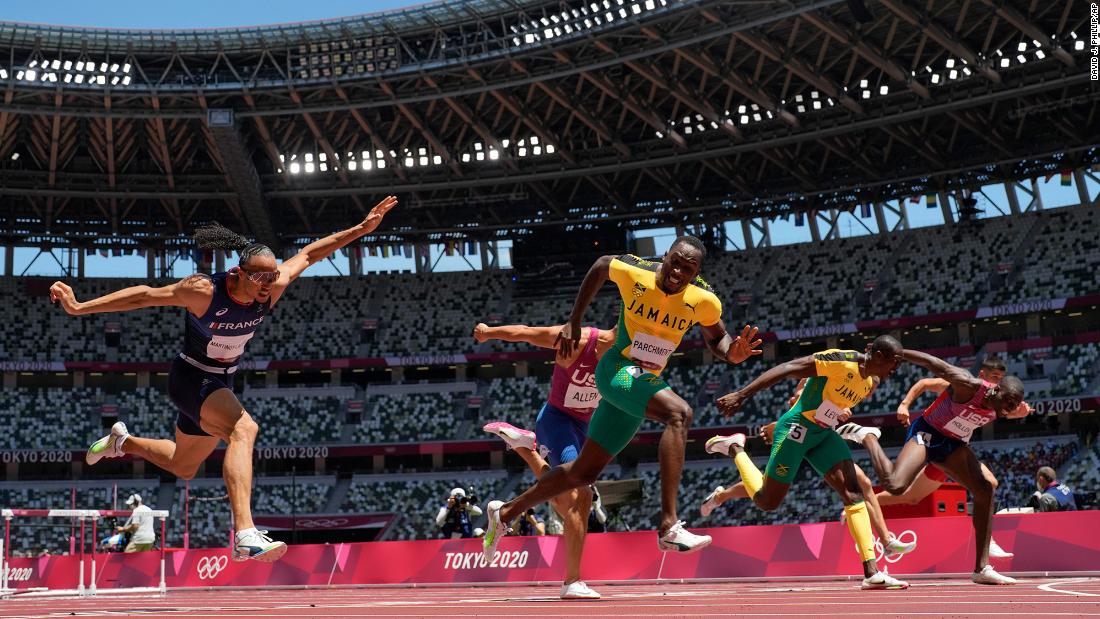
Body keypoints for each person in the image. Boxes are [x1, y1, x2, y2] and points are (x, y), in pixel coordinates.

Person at [52, 196, 398, 563]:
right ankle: (245, 533)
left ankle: (123, 441)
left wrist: (360, 230)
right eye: (260, 277)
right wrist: (80, 307)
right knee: (244, 429)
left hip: (220, 382)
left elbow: (310, 254)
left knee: (184, 466)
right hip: (191, 377)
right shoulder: (204, 291)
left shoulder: (272, 288)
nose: (268, 283)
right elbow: (144, 297)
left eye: (272, 275)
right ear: (238, 273)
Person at [482, 238, 763, 563]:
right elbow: (601, 265)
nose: (678, 272)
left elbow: (718, 339)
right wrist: (574, 320)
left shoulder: (704, 301)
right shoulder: (636, 272)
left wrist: (733, 352)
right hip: (617, 369)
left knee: (581, 474)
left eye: (688, 269)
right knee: (679, 413)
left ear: (696, 272)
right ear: (665, 256)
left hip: (642, 382)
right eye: (675, 262)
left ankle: (504, 514)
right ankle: (669, 527)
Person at [709, 337, 909, 589]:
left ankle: (871, 572)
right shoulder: (841, 360)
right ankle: (735, 447)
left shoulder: (870, 381)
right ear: (878, 355)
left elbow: (830, 404)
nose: (896, 370)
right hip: (796, 430)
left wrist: (839, 413)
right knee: (766, 501)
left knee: (853, 491)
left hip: (822, 434)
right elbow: (788, 369)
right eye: (895, 363)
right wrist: (742, 394)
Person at [836, 349, 1030, 585]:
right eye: (1008, 403)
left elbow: (1005, 409)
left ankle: (982, 568)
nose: (1008, 410)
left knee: (985, 487)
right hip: (927, 433)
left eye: (1013, 407)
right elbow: (932, 363)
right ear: (996, 389)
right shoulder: (968, 384)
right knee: (896, 486)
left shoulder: (1003, 405)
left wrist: (1017, 411)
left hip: (953, 444)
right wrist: (898, 354)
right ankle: (868, 438)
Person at [476, 320, 616, 599]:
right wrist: (489, 332)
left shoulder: (623, 359)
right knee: (581, 495)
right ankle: (572, 581)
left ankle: (522, 452)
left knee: (566, 502)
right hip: (557, 421)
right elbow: (526, 333)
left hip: (584, 427)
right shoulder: (578, 341)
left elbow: (627, 391)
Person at [700, 379, 916, 558]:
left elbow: (828, 420)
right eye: (870, 388)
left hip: (819, 444)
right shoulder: (830, 380)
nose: (869, 393)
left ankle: (886, 541)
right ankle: (721, 495)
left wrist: (840, 415)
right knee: (767, 489)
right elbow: (799, 400)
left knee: (863, 484)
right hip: (796, 437)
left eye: (872, 389)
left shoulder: (851, 394)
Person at [882, 356, 1024, 559]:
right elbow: (924, 383)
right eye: (994, 377)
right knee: (905, 492)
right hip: (932, 440)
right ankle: (868, 501)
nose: (998, 382)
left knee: (915, 497)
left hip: (953, 451)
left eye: (1001, 378)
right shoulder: (960, 386)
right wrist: (904, 404)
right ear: (982, 375)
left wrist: (1017, 414)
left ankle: (986, 542)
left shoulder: (997, 401)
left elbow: (1003, 412)